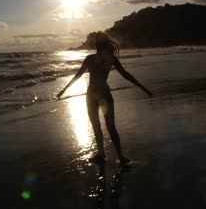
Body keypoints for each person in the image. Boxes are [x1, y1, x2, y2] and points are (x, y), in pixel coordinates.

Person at [57, 32, 152, 164]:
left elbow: (126, 75)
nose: (99, 40)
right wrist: (64, 89)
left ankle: (121, 156)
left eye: (102, 38)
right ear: (96, 43)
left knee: (111, 126)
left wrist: (143, 88)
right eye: (97, 39)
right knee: (95, 125)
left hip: (104, 95)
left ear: (106, 42)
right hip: (90, 95)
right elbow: (78, 74)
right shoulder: (89, 58)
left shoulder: (111, 59)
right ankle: (101, 154)